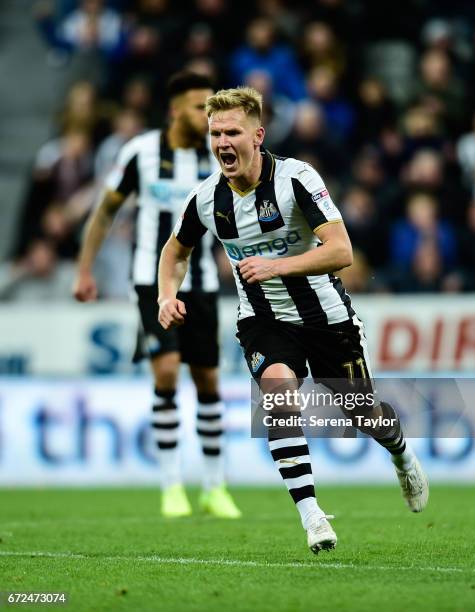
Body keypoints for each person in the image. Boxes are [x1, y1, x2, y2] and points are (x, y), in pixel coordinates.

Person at [157, 86, 429, 553]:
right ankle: (313, 516)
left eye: (233, 132)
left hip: (328, 320)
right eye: (215, 133)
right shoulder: (206, 198)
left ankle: (401, 454)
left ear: (257, 135)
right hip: (264, 321)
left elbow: (342, 251)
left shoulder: (296, 178)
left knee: (363, 413)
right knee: (279, 396)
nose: (223, 142)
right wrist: (166, 294)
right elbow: (174, 251)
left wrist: (276, 265)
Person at [73, 72, 241, 520]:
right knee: (166, 371)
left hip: (203, 282)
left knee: (207, 380)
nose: (206, 117)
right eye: (196, 107)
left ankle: (214, 486)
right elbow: (105, 210)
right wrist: (85, 269)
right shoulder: (141, 153)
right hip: (151, 279)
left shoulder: (217, 154)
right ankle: (171, 487)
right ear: (173, 110)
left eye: (210, 108)